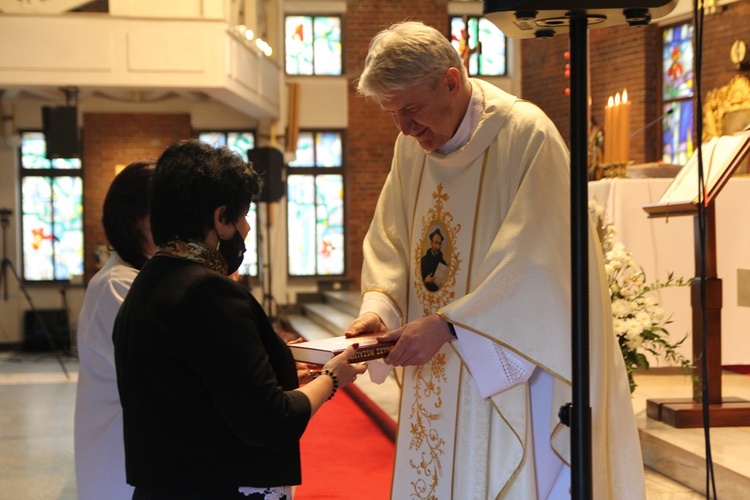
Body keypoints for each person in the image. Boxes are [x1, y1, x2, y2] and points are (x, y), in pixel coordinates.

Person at [345, 21, 646, 499]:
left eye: (412, 109)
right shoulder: (410, 149)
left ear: (451, 80)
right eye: (393, 113)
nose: (405, 127)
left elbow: (539, 261)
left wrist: (448, 325)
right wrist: (376, 313)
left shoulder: (527, 137)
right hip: (434, 368)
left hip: (510, 369)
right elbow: (391, 241)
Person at [112, 139, 366, 500]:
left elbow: (195, 390)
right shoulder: (209, 292)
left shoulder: (149, 279)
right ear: (220, 218)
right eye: (243, 214)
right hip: (217, 487)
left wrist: (282, 377)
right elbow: (271, 422)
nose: (246, 228)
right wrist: (331, 379)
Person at [74, 159, 157, 500]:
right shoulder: (117, 285)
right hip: (118, 467)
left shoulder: (139, 279)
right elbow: (164, 369)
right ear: (138, 220)